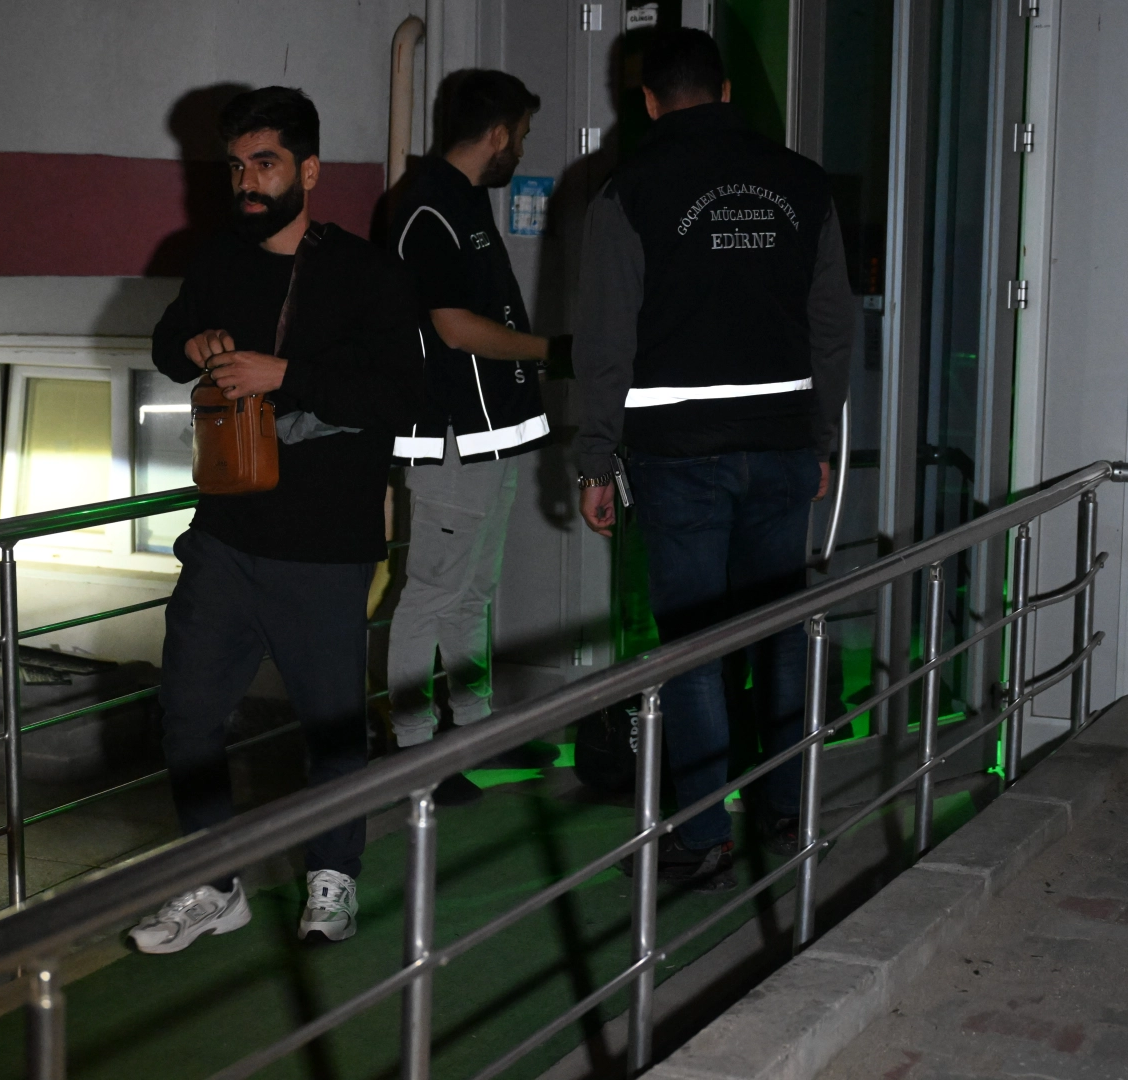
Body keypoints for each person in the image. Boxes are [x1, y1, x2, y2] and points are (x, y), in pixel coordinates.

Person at [131, 86, 423, 953]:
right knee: (188, 714)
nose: (248, 183)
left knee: (331, 727)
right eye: (236, 167)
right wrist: (193, 346)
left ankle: (333, 877)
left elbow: (402, 394)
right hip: (225, 534)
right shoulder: (218, 259)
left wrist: (283, 375)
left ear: (310, 170)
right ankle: (212, 882)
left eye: (265, 164)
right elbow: (167, 341)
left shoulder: (366, 274)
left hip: (325, 545)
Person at [574, 31, 853, 887]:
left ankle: (702, 838)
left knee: (692, 646)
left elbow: (605, 342)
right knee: (779, 635)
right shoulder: (804, 183)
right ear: (727, 90)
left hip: (678, 456)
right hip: (780, 447)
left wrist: (595, 460)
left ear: (648, 101)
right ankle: (788, 810)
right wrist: (818, 438)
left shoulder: (627, 192)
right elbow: (834, 326)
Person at [386, 70, 564, 805]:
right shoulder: (430, 207)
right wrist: (552, 351)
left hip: (485, 436)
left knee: (468, 594)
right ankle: (413, 758)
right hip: (454, 438)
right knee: (432, 595)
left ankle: (472, 733)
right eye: (520, 136)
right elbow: (454, 327)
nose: (520, 148)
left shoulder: (459, 199)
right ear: (496, 134)